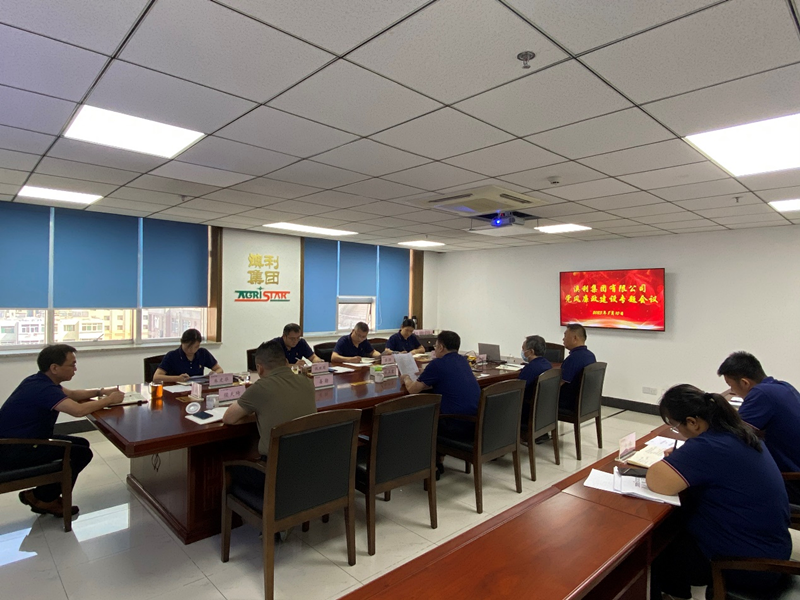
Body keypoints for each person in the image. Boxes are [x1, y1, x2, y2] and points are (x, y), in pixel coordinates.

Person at [647, 384, 790, 599]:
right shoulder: (738, 432)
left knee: (656, 545)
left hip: (748, 566)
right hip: (772, 550)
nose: (679, 433)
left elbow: (657, 481)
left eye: (676, 427)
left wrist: (681, 459)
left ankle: (670, 594)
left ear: (692, 422)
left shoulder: (710, 446)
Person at [0, 344, 124, 518]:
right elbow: (77, 410)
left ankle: (41, 495)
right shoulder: (44, 389)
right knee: (81, 454)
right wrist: (109, 400)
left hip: (20, 441)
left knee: (81, 444)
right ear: (54, 368)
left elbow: (72, 394)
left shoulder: (38, 381)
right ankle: (44, 498)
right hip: (16, 449)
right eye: (72, 365)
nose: (75, 369)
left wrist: (100, 391)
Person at [222, 340, 317, 502]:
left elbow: (229, 418)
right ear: (285, 362)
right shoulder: (307, 382)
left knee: (228, 468)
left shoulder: (260, 387)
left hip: (275, 472)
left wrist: (258, 414)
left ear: (259, 368)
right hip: (309, 467)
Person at [717, 351, 800, 503]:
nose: (732, 391)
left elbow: (732, 436)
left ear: (745, 382)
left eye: (731, 385)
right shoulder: (783, 386)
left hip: (792, 482)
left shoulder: (761, 394)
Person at [403, 330, 480, 457]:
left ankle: (427, 461)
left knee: (418, 417)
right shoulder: (463, 361)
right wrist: (427, 375)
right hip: (475, 422)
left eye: (435, 345)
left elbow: (412, 390)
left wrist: (406, 378)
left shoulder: (437, 364)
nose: (435, 349)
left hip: (456, 424)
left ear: (441, 347)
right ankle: (438, 459)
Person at [153, 328, 223, 383]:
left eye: (196, 347)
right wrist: (177, 378)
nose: (191, 350)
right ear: (182, 342)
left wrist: (214, 374)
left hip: (196, 390)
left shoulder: (203, 353)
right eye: (188, 347)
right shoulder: (172, 356)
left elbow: (220, 370)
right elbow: (156, 377)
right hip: (176, 391)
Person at [518, 335, 552, 443]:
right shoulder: (547, 364)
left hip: (528, 410)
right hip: (544, 410)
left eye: (523, 349)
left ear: (531, 351)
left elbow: (518, 388)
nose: (522, 352)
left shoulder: (531, 368)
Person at [559, 323, 596, 410]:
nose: (563, 339)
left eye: (565, 336)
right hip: (585, 402)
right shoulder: (590, 356)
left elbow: (560, 383)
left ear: (574, 338)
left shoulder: (573, 358)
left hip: (568, 403)